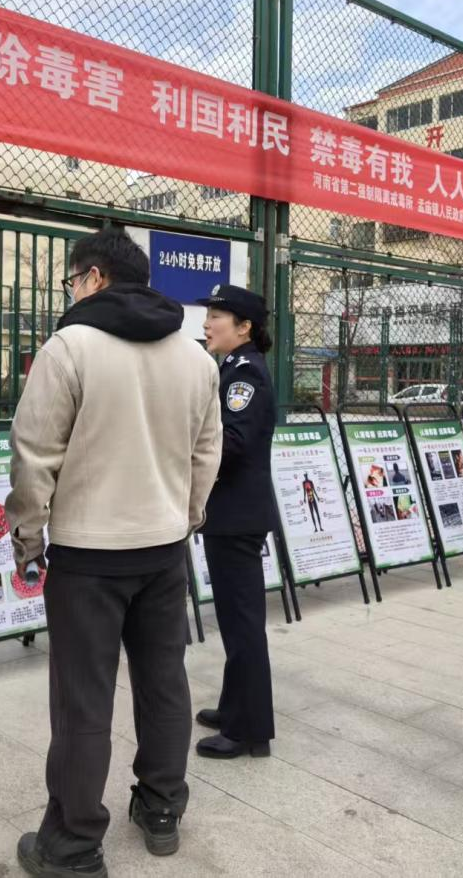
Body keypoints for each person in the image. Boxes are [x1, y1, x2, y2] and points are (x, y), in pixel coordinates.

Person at [4, 226, 221, 877]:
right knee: (164, 682)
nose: (72, 291)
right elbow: (205, 454)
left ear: (94, 277)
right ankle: (161, 807)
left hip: (88, 555)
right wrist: (182, 517)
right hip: (163, 549)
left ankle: (72, 844)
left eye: (73, 280)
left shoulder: (70, 347)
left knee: (83, 699)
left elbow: (33, 454)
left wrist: (28, 536)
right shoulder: (195, 357)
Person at [191, 284, 279, 760]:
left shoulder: (246, 373)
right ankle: (234, 707)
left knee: (242, 622)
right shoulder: (231, 366)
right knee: (234, 618)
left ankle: (249, 730)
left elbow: (234, 442)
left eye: (217, 316)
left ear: (244, 327)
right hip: (231, 511)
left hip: (235, 514)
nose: (207, 323)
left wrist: (188, 449)